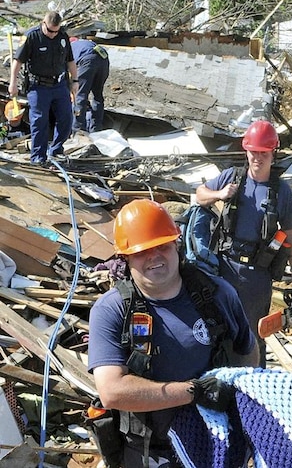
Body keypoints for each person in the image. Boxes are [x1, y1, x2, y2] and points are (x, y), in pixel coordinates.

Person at [87, 199, 259, 468]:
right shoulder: (112, 310)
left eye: (162, 246)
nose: (155, 257)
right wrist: (196, 392)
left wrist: (240, 393)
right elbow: (112, 391)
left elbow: (247, 349)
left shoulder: (217, 293)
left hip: (215, 439)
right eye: (143, 251)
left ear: (176, 244)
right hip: (150, 450)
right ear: (126, 257)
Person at [195, 119, 292, 367]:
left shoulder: (280, 191)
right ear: (246, 151)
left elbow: (291, 233)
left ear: (272, 153)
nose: (258, 157)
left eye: (263, 152)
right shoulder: (231, 177)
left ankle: (254, 386)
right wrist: (219, 195)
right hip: (225, 268)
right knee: (218, 328)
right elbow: (199, 194)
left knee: (254, 334)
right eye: (254, 151)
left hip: (257, 276)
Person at [8, 11, 77, 165]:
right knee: (39, 122)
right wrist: (13, 83)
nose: (53, 34)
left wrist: (76, 80)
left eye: (56, 31)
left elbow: (70, 61)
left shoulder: (62, 36)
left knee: (66, 118)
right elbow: (17, 61)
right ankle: (38, 157)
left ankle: (56, 150)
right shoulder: (32, 36)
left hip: (60, 85)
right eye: (50, 31)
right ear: (43, 23)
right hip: (38, 87)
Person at [70, 37, 110, 133]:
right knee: (98, 95)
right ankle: (96, 129)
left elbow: (67, 71)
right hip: (103, 57)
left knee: (79, 96)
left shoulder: (68, 47)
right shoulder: (85, 43)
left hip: (87, 59)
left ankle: (78, 131)